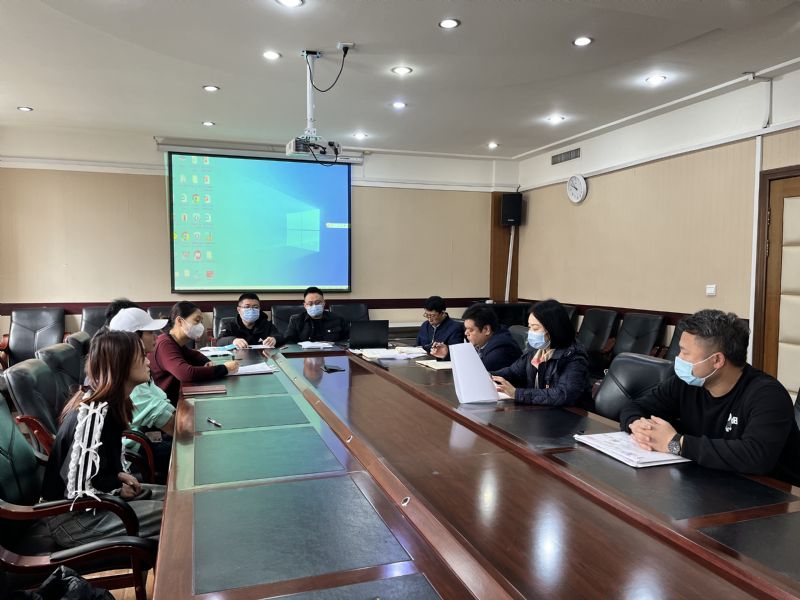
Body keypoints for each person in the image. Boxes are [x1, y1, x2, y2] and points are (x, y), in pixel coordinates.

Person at [620, 309, 800, 485]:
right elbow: (636, 406)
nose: (678, 358)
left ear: (717, 360)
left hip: (773, 494)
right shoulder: (687, 383)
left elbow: (756, 457)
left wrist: (674, 443)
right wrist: (637, 424)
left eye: (685, 352)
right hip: (709, 481)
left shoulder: (767, 395)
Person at [41, 330, 164, 548]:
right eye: (141, 357)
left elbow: (98, 465)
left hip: (96, 506)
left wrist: (117, 476)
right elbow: (78, 491)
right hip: (73, 519)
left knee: (179, 498)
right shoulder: (93, 414)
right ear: (121, 364)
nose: (148, 361)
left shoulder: (111, 404)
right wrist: (116, 489)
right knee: (179, 512)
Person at [108, 307, 175, 481]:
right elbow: (169, 422)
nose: (156, 336)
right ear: (132, 339)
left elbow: (162, 402)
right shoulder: (130, 378)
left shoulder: (138, 368)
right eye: (150, 332)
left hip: (147, 437)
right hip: (135, 452)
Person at [492, 299, 591, 406]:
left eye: (535, 328)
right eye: (529, 327)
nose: (530, 332)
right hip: (541, 410)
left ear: (553, 329)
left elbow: (563, 394)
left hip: (571, 413)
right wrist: (488, 376)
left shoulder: (573, 355)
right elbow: (513, 372)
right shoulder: (536, 350)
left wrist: (517, 394)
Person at [149, 301, 238, 403]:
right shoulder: (165, 344)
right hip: (166, 404)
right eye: (197, 321)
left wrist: (207, 362)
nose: (200, 326)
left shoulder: (176, 342)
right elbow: (186, 374)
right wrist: (224, 368)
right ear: (180, 321)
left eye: (201, 322)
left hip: (177, 397)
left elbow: (194, 355)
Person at [430, 303, 521, 370]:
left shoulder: (500, 351)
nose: (466, 333)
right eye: (465, 329)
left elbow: (476, 371)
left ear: (487, 330)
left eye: (471, 330)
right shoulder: (485, 341)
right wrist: (447, 353)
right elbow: (469, 359)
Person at [283, 287, 349, 344]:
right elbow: (288, 342)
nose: (314, 306)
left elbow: (347, 340)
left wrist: (335, 344)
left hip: (331, 353)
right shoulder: (296, 320)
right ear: (305, 306)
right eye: (310, 304)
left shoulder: (337, 319)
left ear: (324, 303)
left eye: (317, 303)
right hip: (305, 353)